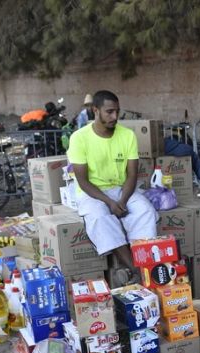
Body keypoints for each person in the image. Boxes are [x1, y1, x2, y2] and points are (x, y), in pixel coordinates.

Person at [66, 90, 157, 276]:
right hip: (92, 192)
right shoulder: (79, 138)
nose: (115, 116)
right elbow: (82, 181)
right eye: (109, 112)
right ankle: (136, 270)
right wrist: (110, 203)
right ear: (95, 111)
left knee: (145, 210)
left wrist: (122, 201)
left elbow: (132, 174)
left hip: (121, 189)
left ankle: (144, 261)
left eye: (117, 111)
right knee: (100, 217)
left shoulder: (127, 135)